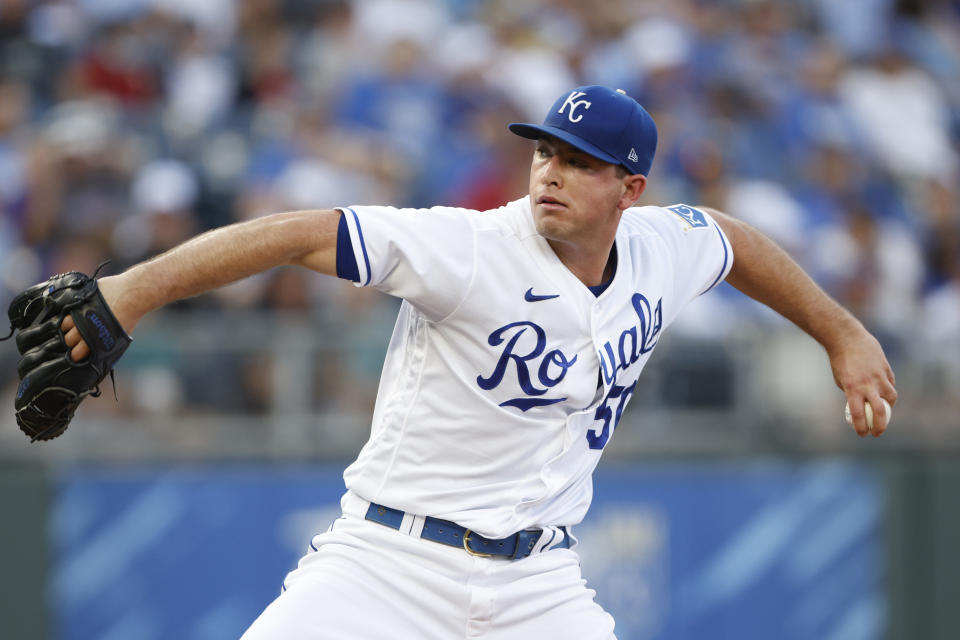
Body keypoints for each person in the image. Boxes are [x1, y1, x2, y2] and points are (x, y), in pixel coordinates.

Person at [60, 85, 897, 639]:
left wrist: (842, 333)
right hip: (388, 566)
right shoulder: (466, 247)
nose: (551, 174)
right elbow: (299, 232)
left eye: (578, 162)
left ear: (630, 190)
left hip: (541, 584)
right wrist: (132, 289)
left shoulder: (660, 248)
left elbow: (734, 241)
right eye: (545, 153)